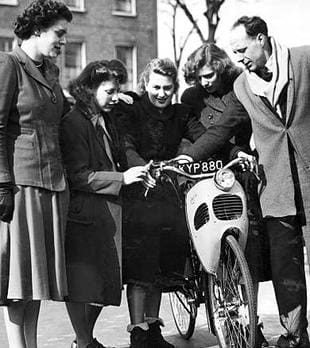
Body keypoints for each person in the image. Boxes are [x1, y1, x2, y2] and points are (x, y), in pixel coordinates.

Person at [182, 16, 310, 348]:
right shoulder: (242, 85)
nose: (238, 58)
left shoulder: (304, 58)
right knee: (286, 268)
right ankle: (295, 335)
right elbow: (223, 128)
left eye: (242, 49)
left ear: (261, 39)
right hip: (275, 186)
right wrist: (190, 157)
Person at [181, 43, 270, 347]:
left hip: (237, 168)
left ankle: (251, 319)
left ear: (219, 67)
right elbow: (195, 130)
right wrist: (190, 158)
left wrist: (234, 152)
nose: (204, 82)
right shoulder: (191, 96)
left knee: (249, 244)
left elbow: (226, 126)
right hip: (206, 166)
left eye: (208, 75)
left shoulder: (238, 86)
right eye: (198, 77)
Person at [60, 60, 148, 348]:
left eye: (117, 91)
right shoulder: (74, 122)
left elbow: (133, 104)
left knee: (105, 286)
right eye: (109, 91)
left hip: (106, 213)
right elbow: (79, 176)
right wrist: (122, 178)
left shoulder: (105, 117)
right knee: (83, 287)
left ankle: (84, 340)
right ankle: (84, 342)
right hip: (86, 215)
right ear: (89, 89)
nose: (115, 97)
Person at [119, 58, 206, 348]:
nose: (161, 93)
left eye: (167, 88)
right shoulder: (132, 109)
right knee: (140, 266)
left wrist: (189, 156)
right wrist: (141, 168)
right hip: (139, 191)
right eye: (156, 87)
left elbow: (203, 138)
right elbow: (126, 144)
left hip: (168, 191)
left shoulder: (181, 113)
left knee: (160, 266)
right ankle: (138, 333)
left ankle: (153, 328)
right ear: (145, 84)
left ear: (174, 88)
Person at [0, 1, 72, 348]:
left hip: (51, 184)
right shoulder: (9, 65)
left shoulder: (51, 72)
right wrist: (1, 183)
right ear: (38, 29)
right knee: (17, 282)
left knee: (35, 281)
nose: (63, 41)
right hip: (20, 184)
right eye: (59, 33)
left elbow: (60, 115)